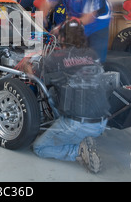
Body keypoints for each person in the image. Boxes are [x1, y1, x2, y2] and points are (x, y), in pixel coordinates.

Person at [29, 19, 110, 173]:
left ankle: (78, 151)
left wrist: (27, 63)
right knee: (62, 87)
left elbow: (34, 74)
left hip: (78, 123)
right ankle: (82, 139)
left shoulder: (56, 57)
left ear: (62, 38)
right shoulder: (92, 54)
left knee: (39, 148)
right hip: (102, 122)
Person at [40, 0, 111, 62]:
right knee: (70, 50)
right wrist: (41, 22)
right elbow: (46, 4)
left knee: (95, 55)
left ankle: (96, 68)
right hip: (75, 15)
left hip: (98, 20)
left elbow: (88, 18)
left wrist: (61, 27)